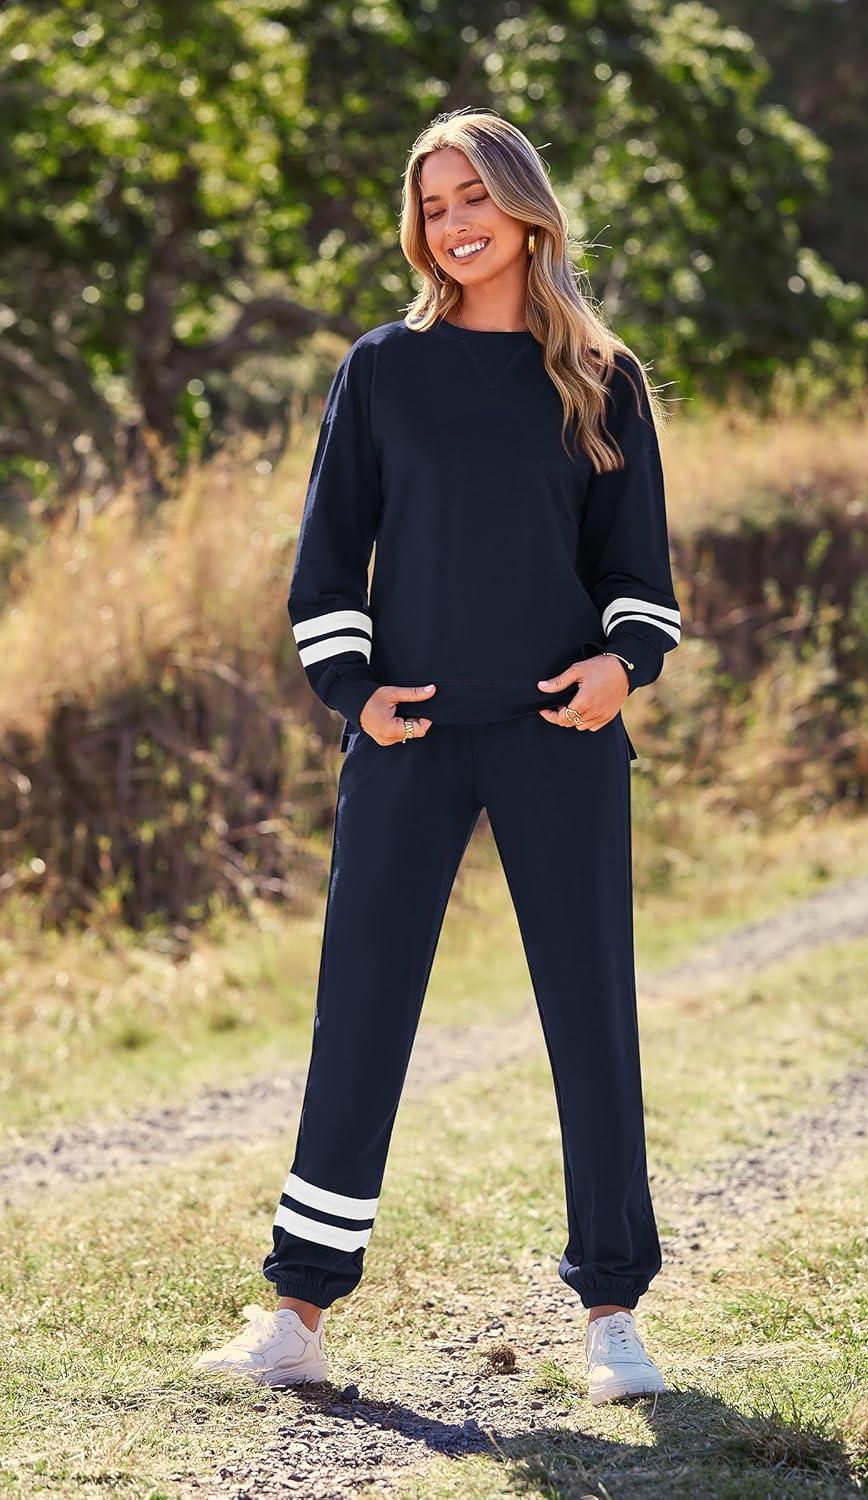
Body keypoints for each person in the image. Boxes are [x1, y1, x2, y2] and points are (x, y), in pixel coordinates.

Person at [194, 107, 681, 1407]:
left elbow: (640, 577)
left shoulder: (601, 376)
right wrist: (355, 694)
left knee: (590, 1011)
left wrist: (619, 669)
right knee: (359, 1009)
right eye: (434, 205)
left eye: (475, 197)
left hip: (558, 735)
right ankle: (297, 1312)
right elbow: (325, 562)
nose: (455, 223)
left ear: (526, 208)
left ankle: (613, 1317)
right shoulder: (382, 370)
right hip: (407, 736)